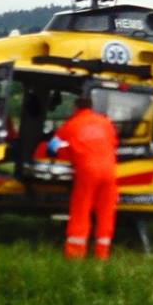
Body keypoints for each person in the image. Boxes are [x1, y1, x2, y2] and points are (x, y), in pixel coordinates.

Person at [38, 87, 120, 261]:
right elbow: (112, 144)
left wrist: (47, 151)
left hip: (88, 172)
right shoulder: (106, 123)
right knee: (106, 212)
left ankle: (75, 254)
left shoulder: (71, 125)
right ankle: (102, 253)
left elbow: (52, 148)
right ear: (91, 107)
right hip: (109, 171)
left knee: (81, 210)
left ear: (75, 108)